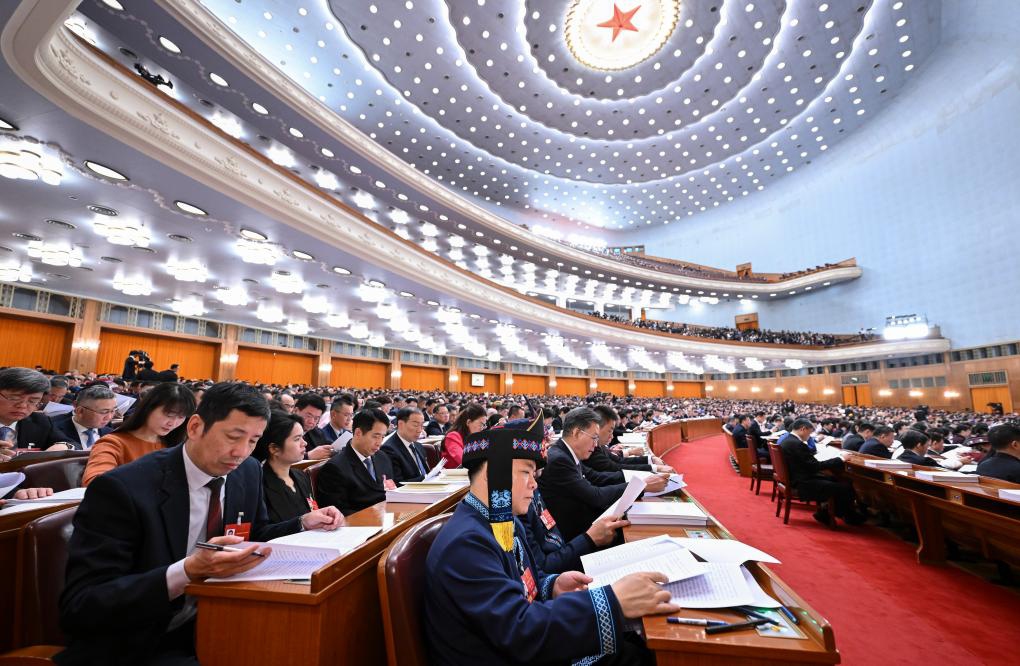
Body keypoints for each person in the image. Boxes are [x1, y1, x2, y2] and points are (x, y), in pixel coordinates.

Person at [57, 382, 341, 665]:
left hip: (220, 618)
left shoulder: (248, 472)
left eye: (253, 441)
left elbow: (255, 534)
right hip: (142, 641)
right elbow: (83, 605)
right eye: (233, 437)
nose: (241, 452)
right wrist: (187, 571)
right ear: (194, 427)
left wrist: (302, 523)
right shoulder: (123, 489)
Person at [424, 412, 677, 665]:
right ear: (493, 474)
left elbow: (521, 585)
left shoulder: (500, 517)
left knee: (635, 642)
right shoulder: (466, 544)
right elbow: (519, 631)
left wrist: (552, 585)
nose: (534, 485)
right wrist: (613, 601)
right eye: (526, 472)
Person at [538, 407, 667, 541]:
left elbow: (596, 477)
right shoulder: (560, 459)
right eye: (594, 438)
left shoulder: (566, 452)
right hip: (574, 532)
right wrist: (641, 486)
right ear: (577, 433)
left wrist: (641, 478)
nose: (595, 445)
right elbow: (595, 496)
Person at [82, 383, 196, 486]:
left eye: (181, 417)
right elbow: (95, 483)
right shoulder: (113, 443)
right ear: (148, 408)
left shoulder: (177, 445)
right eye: (169, 414)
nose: (173, 423)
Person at [779, 419, 865, 526]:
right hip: (802, 483)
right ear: (803, 429)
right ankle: (836, 514)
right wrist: (840, 459)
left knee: (838, 480)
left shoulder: (788, 441)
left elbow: (809, 464)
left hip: (797, 478)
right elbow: (815, 466)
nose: (810, 436)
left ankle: (831, 512)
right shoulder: (796, 444)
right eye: (809, 432)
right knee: (844, 487)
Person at [315, 408, 396, 515]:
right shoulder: (335, 468)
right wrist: (375, 515)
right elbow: (338, 512)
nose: (379, 443)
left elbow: (390, 490)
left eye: (382, 437)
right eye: (375, 436)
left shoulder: (382, 457)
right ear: (358, 433)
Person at [253, 410, 318, 523]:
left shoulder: (301, 475)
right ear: (274, 448)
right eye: (297, 439)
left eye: (302, 437)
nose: (305, 443)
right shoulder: (259, 484)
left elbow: (313, 510)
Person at [0, 367, 66, 456]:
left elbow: (71, 443)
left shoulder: (40, 421)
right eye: (15, 398)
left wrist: (64, 446)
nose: (22, 406)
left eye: (32, 401)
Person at [50, 384, 118, 450]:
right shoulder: (53, 430)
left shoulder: (110, 433)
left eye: (113, 411)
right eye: (104, 412)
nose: (109, 417)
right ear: (80, 411)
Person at [380, 407, 430, 483]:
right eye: (416, 425)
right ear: (401, 424)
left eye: (422, 425)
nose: (420, 430)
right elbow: (397, 483)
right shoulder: (389, 449)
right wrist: (426, 478)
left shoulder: (418, 446)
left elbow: (425, 473)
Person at [440, 402, 487, 467]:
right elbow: (464, 460)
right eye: (481, 424)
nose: (482, 428)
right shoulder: (453, 436)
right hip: (453, 476)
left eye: (484, 425)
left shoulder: (474, 437)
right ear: (468, 422)